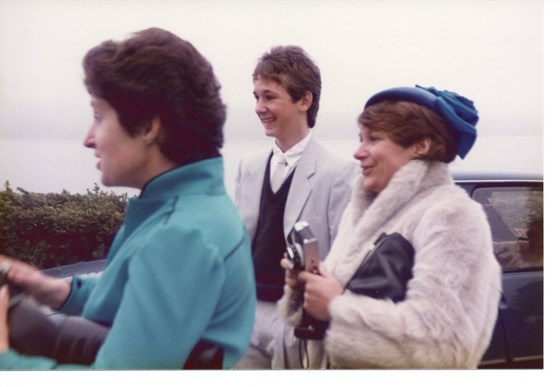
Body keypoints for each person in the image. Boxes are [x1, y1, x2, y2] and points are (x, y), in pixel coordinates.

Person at [0, 27, 256, 370]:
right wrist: (55, 291)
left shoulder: (179, 236)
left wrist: (7, 361)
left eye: (98, 116)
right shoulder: (193, 210)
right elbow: (143, 304)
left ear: (148, 126)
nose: (88, 139)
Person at [278, 85, 502, 368]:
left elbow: (446, 346)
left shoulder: (452, 216)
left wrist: (337, 306)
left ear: (421, 145)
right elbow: (337, 298)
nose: (358, 152)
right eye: (360, 139)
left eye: (374, 139)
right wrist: (308, 288)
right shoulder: (362, 210)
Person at [233, 45, 358, 369]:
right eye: (256, 96)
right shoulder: (248, 167)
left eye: (270, 97)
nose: (260, 107)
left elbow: (343, 259)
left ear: (305, 100)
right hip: (245, 317)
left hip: (298, 322)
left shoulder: (340, 172)